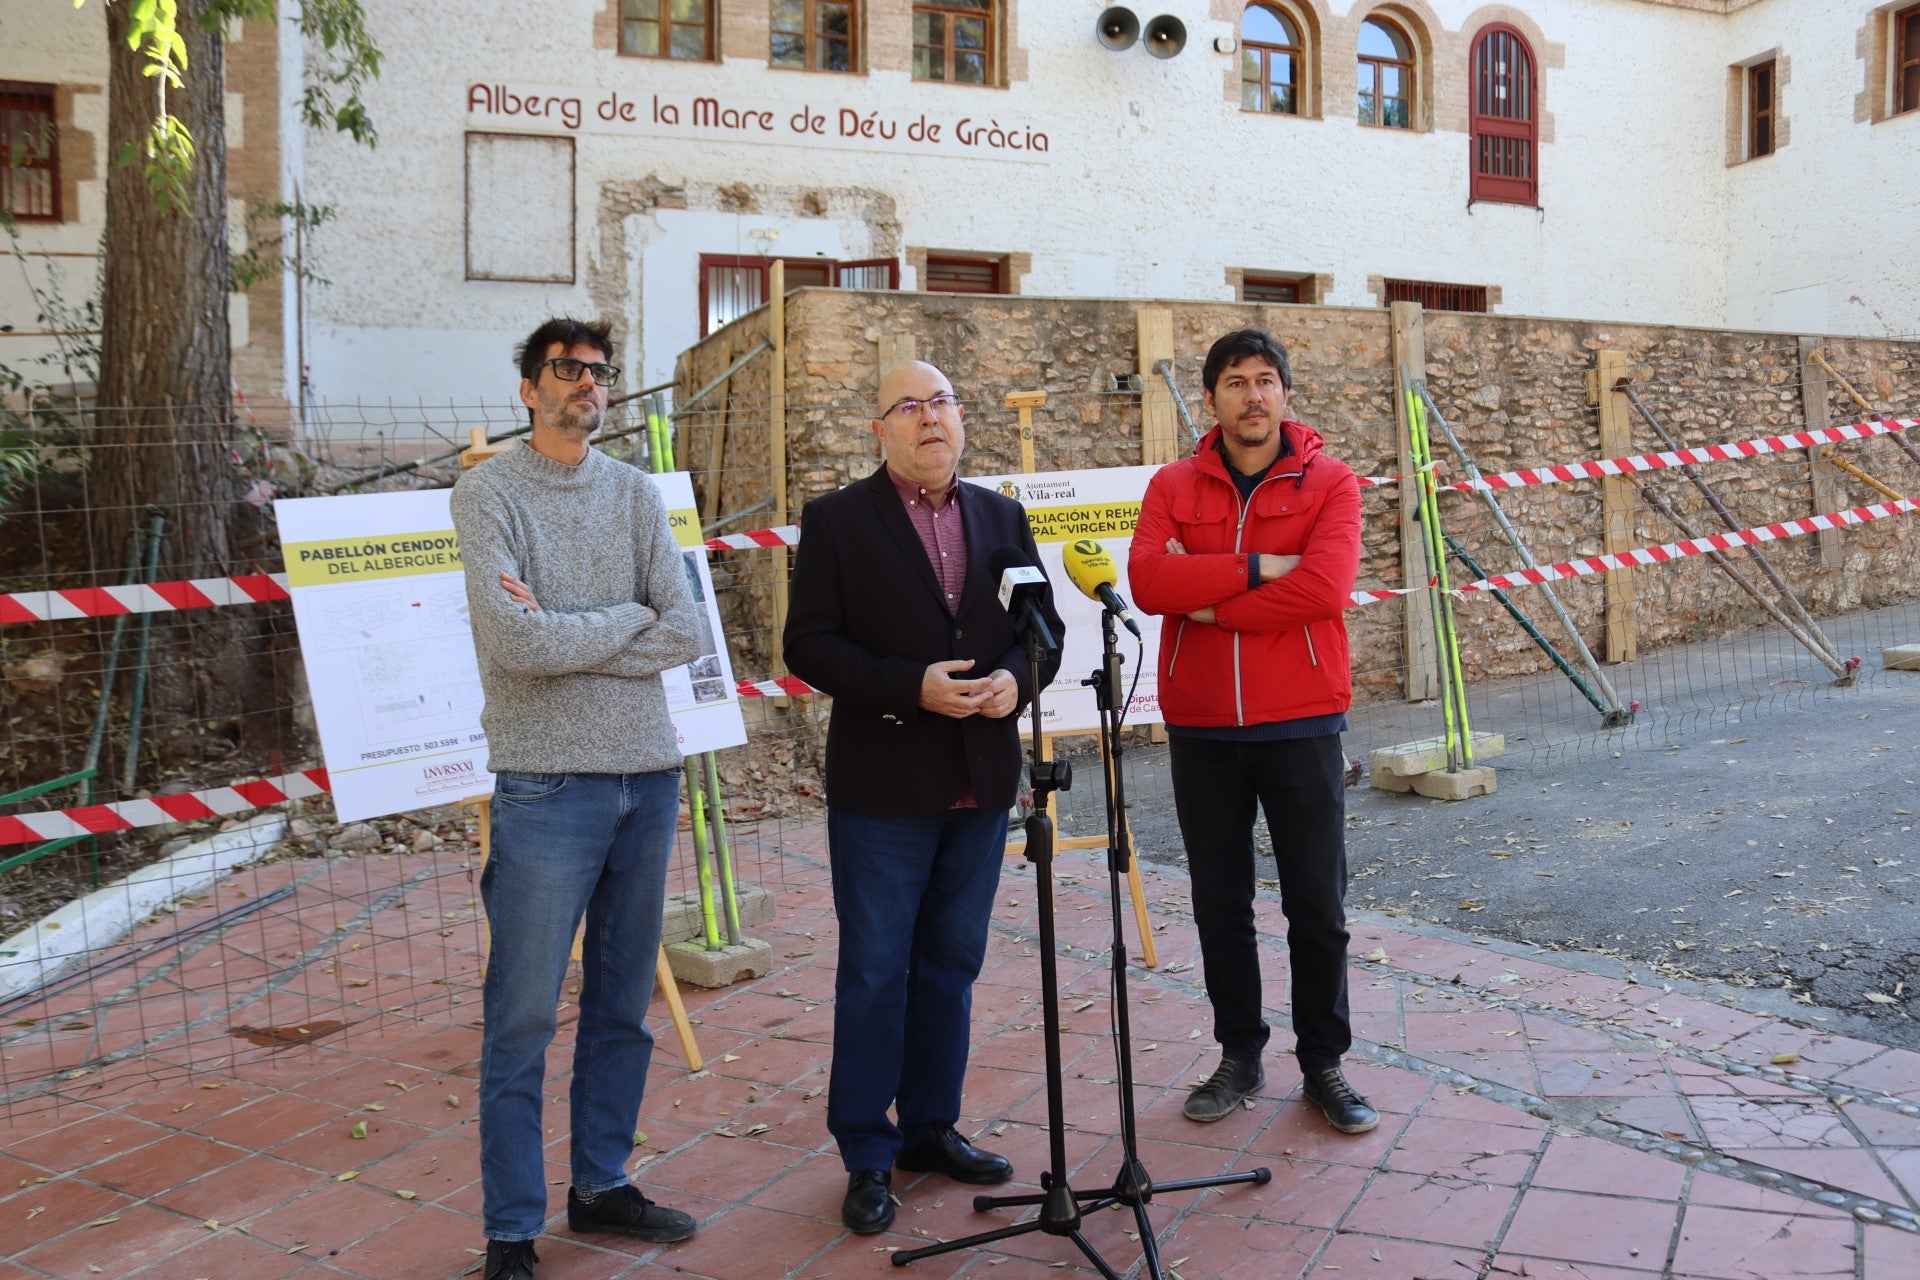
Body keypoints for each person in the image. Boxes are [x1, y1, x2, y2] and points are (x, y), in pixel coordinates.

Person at [783, 359, 1063, 1234]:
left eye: (941, 401)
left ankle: (932, 1128)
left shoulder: (1001, 515)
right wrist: (913, 686)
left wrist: (1018, 682)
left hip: (979, 783)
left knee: (952, 966)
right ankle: (868, 1153)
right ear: (881, 429)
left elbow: (1041, 633)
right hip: (884, 790)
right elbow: (810, 647)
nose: (929, 418)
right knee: (874, 973)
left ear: (960, 417)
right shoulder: (836, 521)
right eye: (908, 406)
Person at [451, 317, 704, 1280]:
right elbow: (515, 646)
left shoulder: (636, 492)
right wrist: (621, 621)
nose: (586, 385)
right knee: (521, 1016)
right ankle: (511, 1228)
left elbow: (680, 628)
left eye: (599, 373)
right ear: (528, 389)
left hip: (647, 776)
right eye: (565, 370)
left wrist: (570, 629)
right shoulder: (488, 493)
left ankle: (600, 1186)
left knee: (622, 1006)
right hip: (547, 786)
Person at [1127, 328, 1377, 1136]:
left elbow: (1326, 588)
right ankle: (1239, 1053)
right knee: (1219, 903)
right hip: (1202, 726)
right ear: (1211, 399)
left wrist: (1202, 602)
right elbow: (1145, 578)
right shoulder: (1172, 484)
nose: (1253, 396)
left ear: (1286, 393)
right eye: (1235, 382)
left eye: (1266, 380)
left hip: (1302, 720)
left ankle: (1324, 1063)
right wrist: (1265, 566)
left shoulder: (1332, 483)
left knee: (1317, 903)